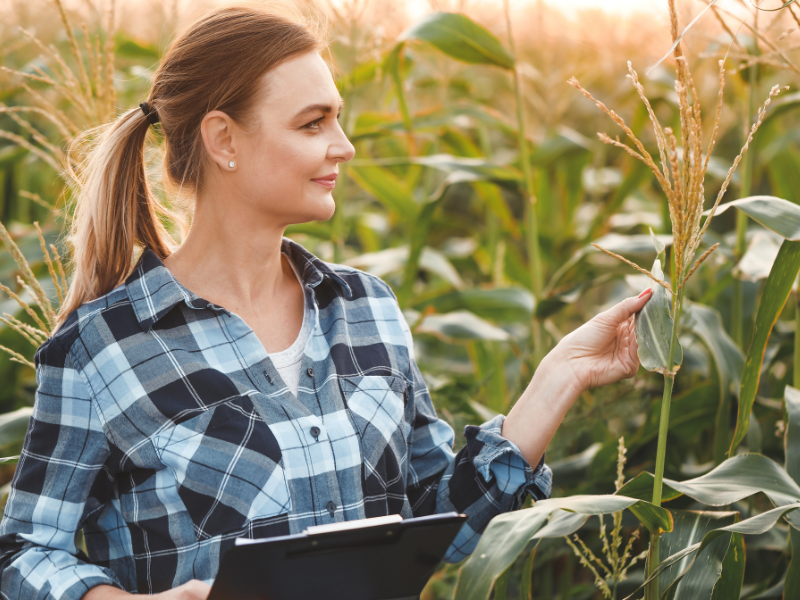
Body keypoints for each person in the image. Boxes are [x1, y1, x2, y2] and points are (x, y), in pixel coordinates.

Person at [0, 4, 653, 599]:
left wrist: (560, 374)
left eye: (337, 118)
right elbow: (22, 553)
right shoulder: (103, 349)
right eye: (313, 123)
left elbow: (440, 525)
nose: (344, 146)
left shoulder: (367, 309)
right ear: (224, 140)